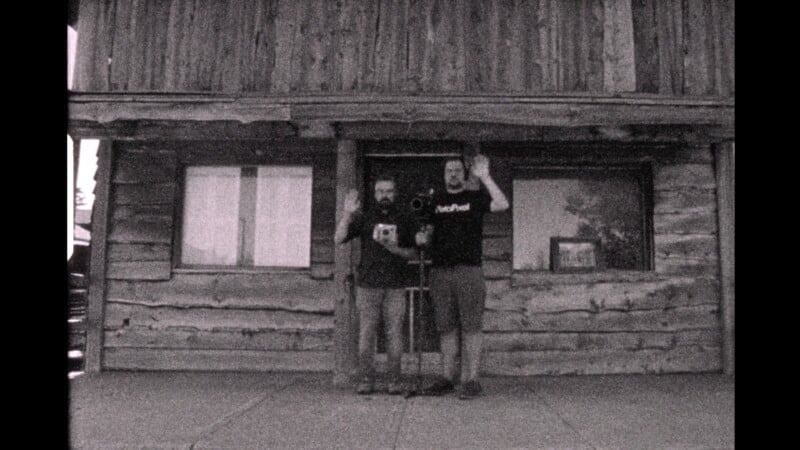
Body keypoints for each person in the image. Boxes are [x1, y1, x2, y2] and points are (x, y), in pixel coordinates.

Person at [415, 154, 509, 399]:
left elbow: (502, 204)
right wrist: (423, 239)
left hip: (469, 271)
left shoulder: (474, 197)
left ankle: (472, 380)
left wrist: (485, 176)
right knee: (445, 327)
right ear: (444, 175)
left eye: (457, 170)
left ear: (464, 174)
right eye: (449, 170)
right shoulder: (435, 201)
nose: (453, 174)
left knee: (471, 327)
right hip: (440, 272)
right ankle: (447, 377)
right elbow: (427, 232)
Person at [334, 174, 418, 395]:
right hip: (367, 285)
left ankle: (395, 381)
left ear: (395, 193)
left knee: (394, 334)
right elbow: (338, 238)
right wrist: (347, 214)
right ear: (374, 193)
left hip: (395, 285)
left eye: (389, 191)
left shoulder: (405, 217)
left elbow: (413, 253)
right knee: (366, 334)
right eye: (380, 191)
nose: (385, 196)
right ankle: (365, 380)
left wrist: (394, 248)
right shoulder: (364, 216)